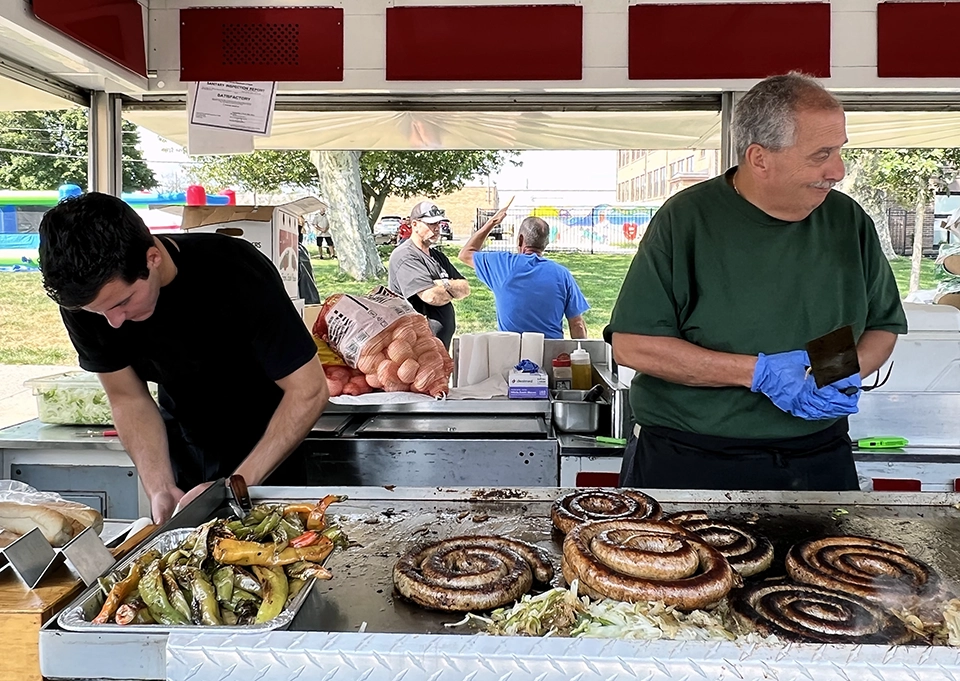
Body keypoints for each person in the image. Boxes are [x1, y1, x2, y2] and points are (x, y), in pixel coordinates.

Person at [605, 72, 907, 492]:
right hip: (690, 458)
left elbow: (883, 325)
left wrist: (833, 374)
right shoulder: (687, 219)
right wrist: (758, 373)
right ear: (759, 158)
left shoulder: (846, 220)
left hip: (819, 456)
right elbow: (634, 345)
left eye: (839, 151)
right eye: (821, 154)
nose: (837, 170)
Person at [38, 193, 329, 523]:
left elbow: (308, 390)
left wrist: (237, 485)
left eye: (122, 303)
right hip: (185, 447)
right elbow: (127, 398)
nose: (113, 322)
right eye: (98, 312)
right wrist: (160, 486)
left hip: (269, 443)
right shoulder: (87, 304)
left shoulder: (236, 272)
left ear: (152, 258)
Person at [458, 212, 589, 339]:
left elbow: (465, 254)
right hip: (551, 354)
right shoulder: (562, 274)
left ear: (520, 239)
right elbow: (577, 325)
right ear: (545, 244)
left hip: (511, 352)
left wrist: (492, 223)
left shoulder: (502, 265)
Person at [388, 201, 470, 349]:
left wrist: (442, 284)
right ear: (414, 225)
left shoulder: (437, 256)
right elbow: (432, 297)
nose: (437, 228)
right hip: (415, 346)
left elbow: (465, 288)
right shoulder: (405, 255)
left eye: (438, 223)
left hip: (436, 346)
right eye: (431, 224)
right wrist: (448, 287)